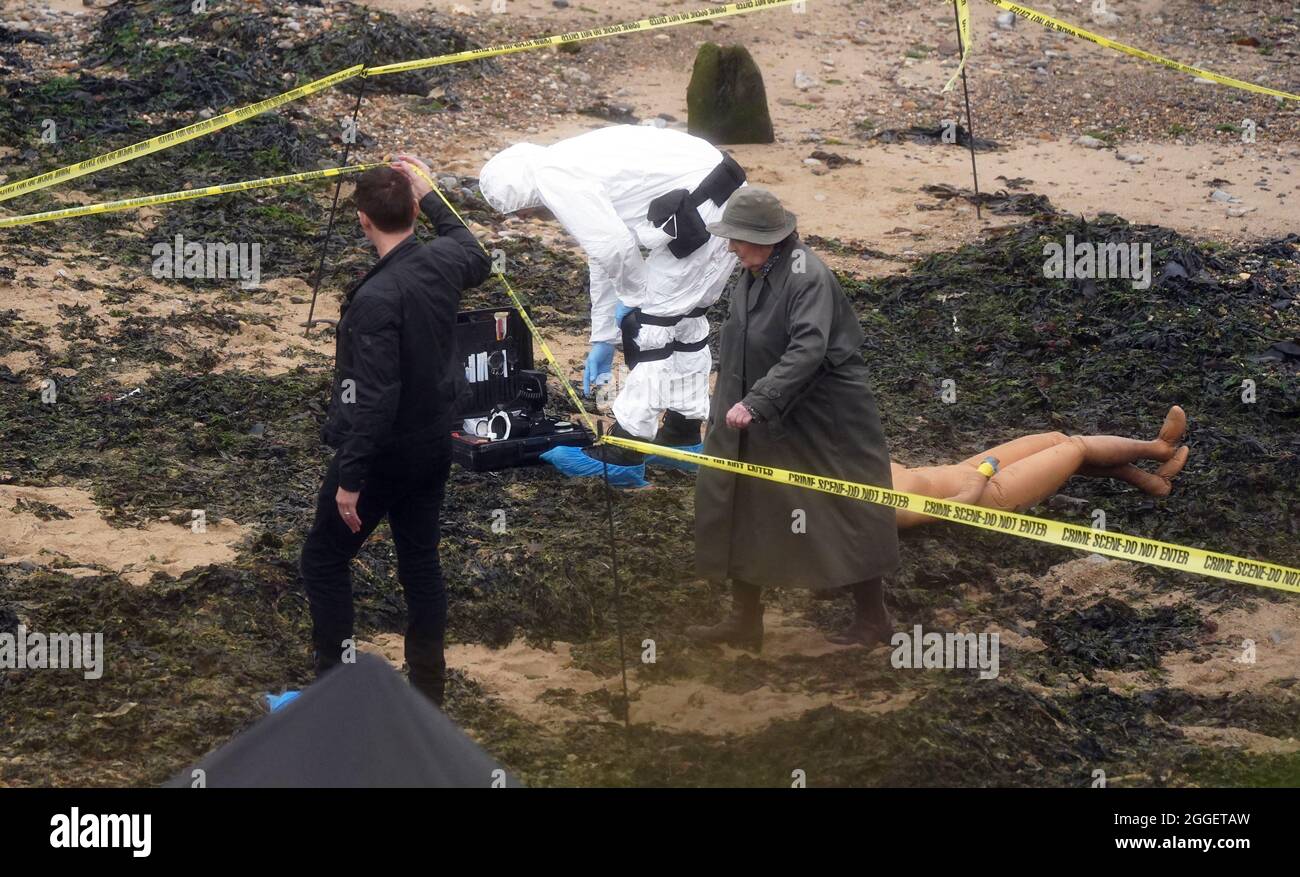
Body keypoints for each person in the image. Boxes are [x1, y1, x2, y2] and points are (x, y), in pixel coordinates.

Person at [300, 156, 491, 706]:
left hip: (388, 451)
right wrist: (432, 195)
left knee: (324, 558)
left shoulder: (377, 300)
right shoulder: (443, 261)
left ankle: (332, 693)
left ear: (362, 219)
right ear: (411, 210)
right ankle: (428, 693)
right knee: (420, 560)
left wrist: (350, 479)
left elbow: (377, 400)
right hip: (434, 443)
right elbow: (474, 250)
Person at [477, 125, 747, 486]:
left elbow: (614, 248)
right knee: (685, 321)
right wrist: (602, 337)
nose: (526, 220)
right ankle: (682, 438)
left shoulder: (554, 177)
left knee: (654, 326)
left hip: (703, 207)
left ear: (524, 199)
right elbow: (601, 252)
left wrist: (637, 303)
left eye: (521, 214)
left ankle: (625, 452)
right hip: (721, 195)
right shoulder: (569, 159)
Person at [689, 187, 899, 651]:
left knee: (844, 509)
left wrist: (757, 402)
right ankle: (745, 621)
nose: (731, 247)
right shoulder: (754, 269)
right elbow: (743, 340)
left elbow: (809, 349)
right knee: (739, 496)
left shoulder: (808, 276)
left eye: (738, 239)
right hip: (755, 411)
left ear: (768, 239)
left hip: (823, 419)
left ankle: (874, 620)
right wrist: (725, 405)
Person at [892, 406, 1190, 527]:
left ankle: (1152, 482)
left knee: (1054, 440)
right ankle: (1158, 448)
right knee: (1077, 448)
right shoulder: (876, 509)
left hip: (964, 469)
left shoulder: (848, 467)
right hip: (990, 495)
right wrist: (978, 478)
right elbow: (954, 508)